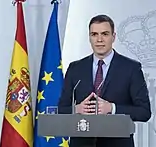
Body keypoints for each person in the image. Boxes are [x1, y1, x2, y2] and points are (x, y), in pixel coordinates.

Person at [58, 14, 151, 147]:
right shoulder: (75, 68)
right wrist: (77, 109)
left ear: (113, 37)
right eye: (94, 34)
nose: (99, 39)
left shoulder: (131, 68)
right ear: (89, 38)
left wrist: (112, 108)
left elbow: (144, 112)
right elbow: (61, 109)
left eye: (105, 34)